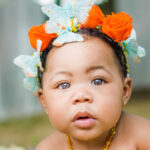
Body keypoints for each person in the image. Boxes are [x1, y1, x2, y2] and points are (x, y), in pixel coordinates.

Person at [14, 0, 150, 149]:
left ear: (124, 91)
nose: (81, 96)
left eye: (98, 81)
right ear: (44, 100)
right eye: (64, 85)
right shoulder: (49, 147)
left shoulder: (141, 136)